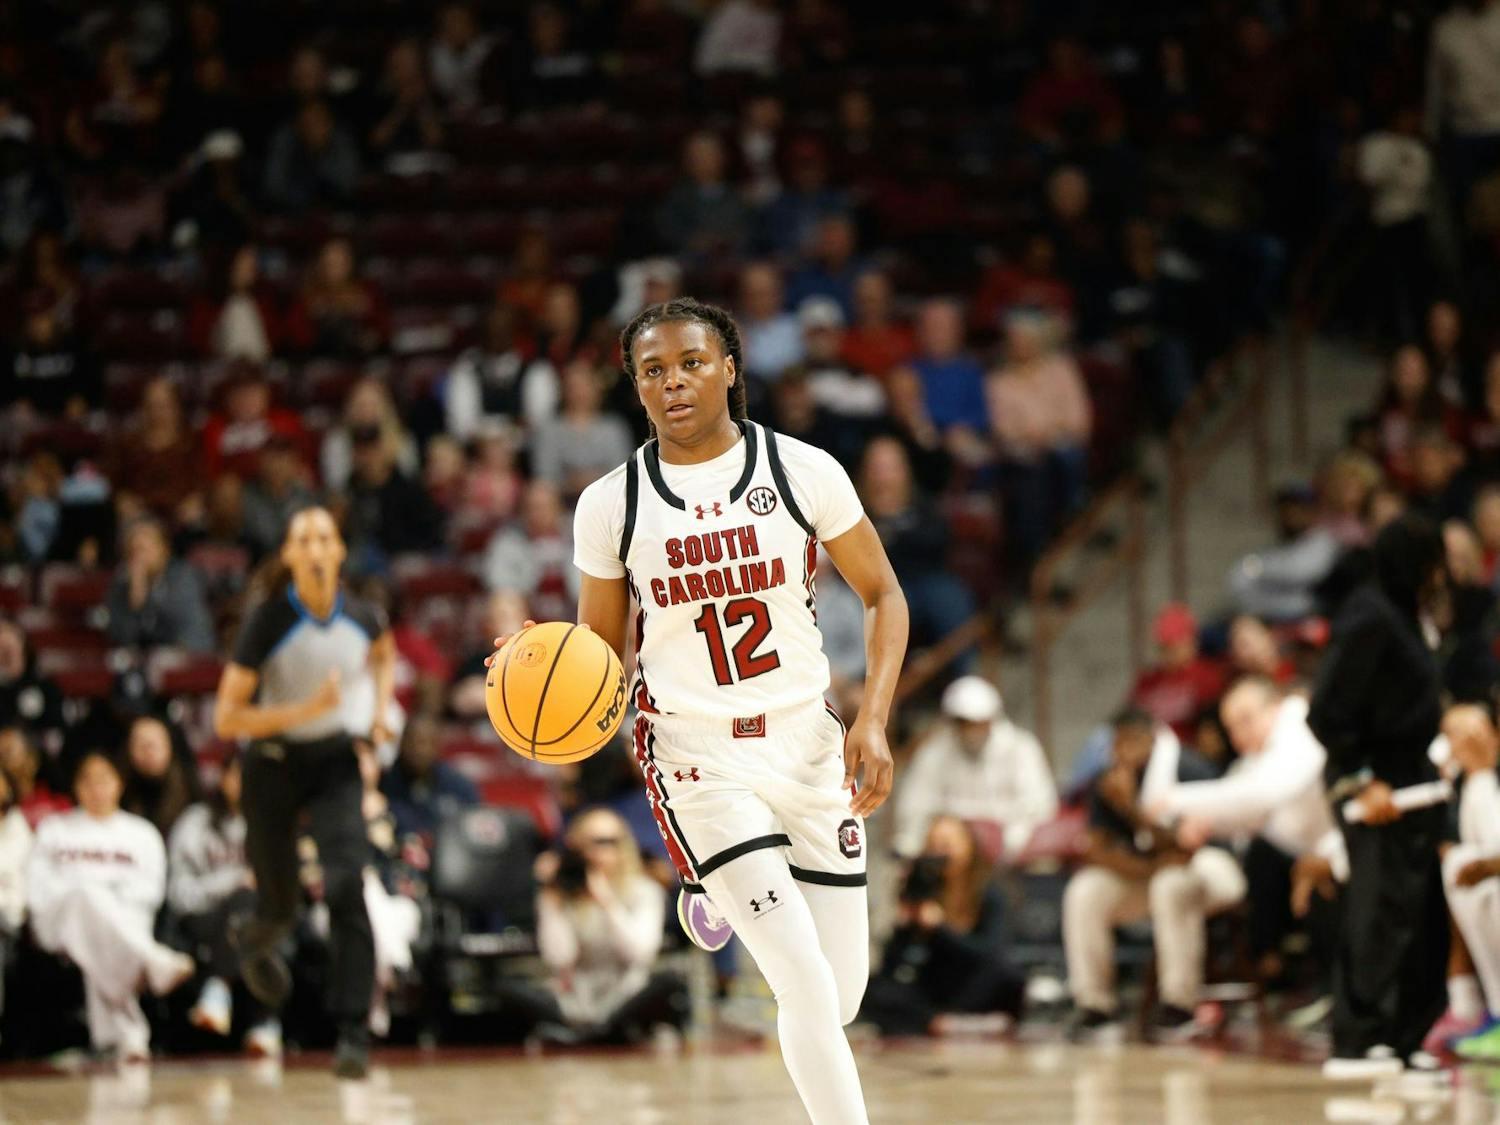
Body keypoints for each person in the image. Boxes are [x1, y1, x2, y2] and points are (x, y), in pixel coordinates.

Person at [487, 297, 908, 1124]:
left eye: (690, 362)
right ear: (635, 389)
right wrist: (540, 668)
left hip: (808, 744)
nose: (673, 381)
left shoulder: (803, 469)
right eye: (653, 370)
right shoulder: (611, 504)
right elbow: (600, 659)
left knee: (843, 993)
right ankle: (711, 865)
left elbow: (884, 593)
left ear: (730, 370)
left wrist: (875, 719)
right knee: (805, 985)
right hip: (695, 756)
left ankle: (708, 892)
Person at [213, 507, 397, 1078]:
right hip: (270, 766)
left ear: (339, 550)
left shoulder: (365, 615)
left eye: (324, 537)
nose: (315, 547)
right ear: (290, 556)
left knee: (347, 884)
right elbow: (227, 719)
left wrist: (380, 711)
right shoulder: (266, 622)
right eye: (303, 540)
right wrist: (306, 710)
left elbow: (385, 656)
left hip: (334, 761)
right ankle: (252, 939)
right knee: (281, 905)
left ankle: (352, 1032)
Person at [1308, 513, 1450, 1077]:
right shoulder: (1369, 617)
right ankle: (1359, 1037)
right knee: (1378, 912)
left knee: (1422, 918)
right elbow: (1328, 712)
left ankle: (1406, 1035)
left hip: (1417, 784)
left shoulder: (1403, 615)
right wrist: (1362, 778)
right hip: (1378, 786)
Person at [1063, 709, 1247, 1041]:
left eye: (1129, 742)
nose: (1121, 752)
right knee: (1085, 889)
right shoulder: (1110, 781)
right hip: (1151, 872)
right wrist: (1144, 859)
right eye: (1116, 744)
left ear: (1150, 738)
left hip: (1213, 867)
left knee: (1171, 884)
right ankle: (1095, 1005)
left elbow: (1185, 849)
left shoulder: (1188, 766)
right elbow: (1098, 852)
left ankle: (1179, 1006)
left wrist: (1133, 811)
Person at [1148, 677, 1344, 983]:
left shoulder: (1299, 725)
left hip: (1348, 848)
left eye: (1245, 720)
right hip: (1314, 857)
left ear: (1275, 707)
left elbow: (1260, 795)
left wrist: (1175, 799)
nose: (1238, 735)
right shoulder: (1259, 756)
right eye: (1231, 728)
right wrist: (1200, 817)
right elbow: (1244, 812)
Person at [26, 752, 195, 1061]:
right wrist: (89, 894)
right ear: (76, 787)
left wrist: (101, 903)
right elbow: (39, 892)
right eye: (88, 781)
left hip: (123, 926)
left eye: (104, 780)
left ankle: (119, 1039)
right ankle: (153, 962)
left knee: (95, 935)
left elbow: (149, 892)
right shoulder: (55, 829)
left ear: (119, 784)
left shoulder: (141, 833)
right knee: (85, 900)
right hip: (58, 923)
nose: (96, 789)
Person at [525, 807, 688, 1045]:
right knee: (508, 990)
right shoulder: (560, 894)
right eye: (593, 842)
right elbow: (560, 959)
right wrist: (553, 903)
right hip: (576, 1002)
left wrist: (607, 901)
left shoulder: (645, 890)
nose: (602, 851)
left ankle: (588, 1036)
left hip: (628, 1000)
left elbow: (639, 954)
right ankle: (593, 1033)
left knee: (669, 983)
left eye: (610, 841)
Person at [861, 814, 1023, 1037]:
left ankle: (941, 1022)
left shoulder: (990, 891)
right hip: (937, 985)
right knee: (873, 990)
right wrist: (905, 924)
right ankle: (942, 1023)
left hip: (977, 980)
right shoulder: (924, 886)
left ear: (968, 846)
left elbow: (991, 952)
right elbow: (893, 965)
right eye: (935, 845)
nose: (943, 852)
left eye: (948, 844)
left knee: (1008, 975)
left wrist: (940, 928)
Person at [167, 753, 282, 1056]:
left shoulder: (273, 825)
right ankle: (264, 1021)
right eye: (239, 776)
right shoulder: (195, 822)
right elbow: (179, 894)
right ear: (223, 779)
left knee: (251, 911)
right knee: (244, 901)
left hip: (258, 922)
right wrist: (233, 881)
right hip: (202, 918)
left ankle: (218, 989)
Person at [893, 676, 1057, 862]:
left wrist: (1004, 837)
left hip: (1010, 848)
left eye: (979, 722)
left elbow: (1040, 805)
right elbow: (915, 807)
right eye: (965, 722)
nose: (973, 730)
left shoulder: (1020, 749)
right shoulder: (934, 753)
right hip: (951, 850)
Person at [1427, 705, 1500, 1061]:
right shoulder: (1459, 784)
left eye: (1474, 732)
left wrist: (1483, 772)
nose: (1467, 742)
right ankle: (1478, 1009)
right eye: (1455, 734)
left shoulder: (1485, 778)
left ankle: (1469, 1005)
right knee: (1461, 864)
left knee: (1471, 866)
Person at [105, 517, 216, 654]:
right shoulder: (122, 583)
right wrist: (135, 599)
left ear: (164, 549)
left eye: (145, 549)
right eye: (135, 551)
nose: (140, 558)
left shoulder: (183, 577)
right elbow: (119, 636)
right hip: (143, 661)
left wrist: (146, 599)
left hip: (189, 655)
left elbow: (178, 625)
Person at [1128, 603, 1227, 743]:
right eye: (1163, 646)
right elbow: (1130, 719)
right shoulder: (1148, 680)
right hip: (1148, 749)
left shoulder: (1207, 677)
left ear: (1191, 642)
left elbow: (1212, 732)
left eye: (1174, 645)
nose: (1168, 652)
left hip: (1185, 751)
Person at [380, 714, 480, 843]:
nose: (418, 750)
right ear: (401, 745)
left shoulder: (460, 787)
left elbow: (474, 831)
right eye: (411, 742)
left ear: (437, 746)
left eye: (425, 743)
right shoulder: (384, 784)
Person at [120, 714, 201, 839]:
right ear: (129, 749)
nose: (149, 751)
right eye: (141, 744)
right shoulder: (119, 789)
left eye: (155, 743)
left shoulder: (189, 785)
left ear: (169, 746)